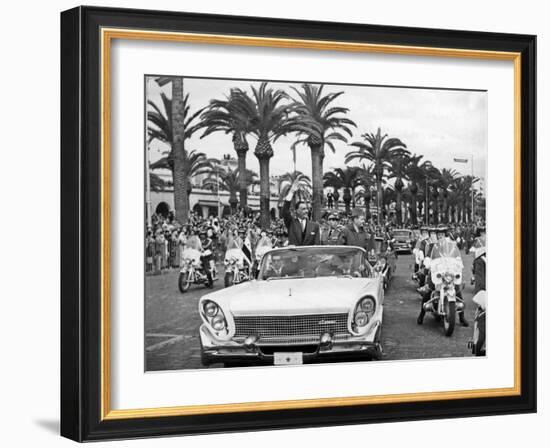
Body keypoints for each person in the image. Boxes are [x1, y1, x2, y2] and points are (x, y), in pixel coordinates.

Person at [417, 230, 469, 327]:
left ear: (445, 235)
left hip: (449, 273)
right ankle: (421, 315)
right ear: (436, 235)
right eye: (438, 234)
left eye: (442, 234)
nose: (440, 236)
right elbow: (428, 257)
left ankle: (462, 317)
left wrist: (458, 261)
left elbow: (457, 255)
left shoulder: (451, 246)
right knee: (429, 290)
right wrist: (427, 262)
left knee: (457, 290)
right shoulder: (433, 246)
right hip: (437, 273)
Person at [282, 180, 320, 246]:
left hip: (309, 255)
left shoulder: (315, 226)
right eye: (303, 209)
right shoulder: (291, 223)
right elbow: (285, 211)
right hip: (294, 255)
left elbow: (316, 245)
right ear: (296, 210)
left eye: (307, 209)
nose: (306, 211)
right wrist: (291, 192)